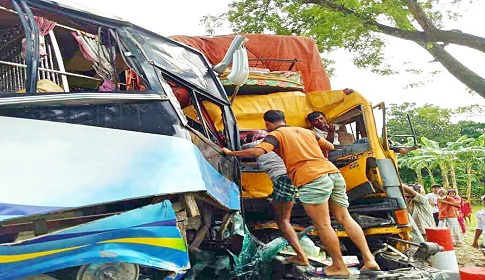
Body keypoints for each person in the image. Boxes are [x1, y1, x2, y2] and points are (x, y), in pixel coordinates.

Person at [222, 110, 380, 277]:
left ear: (267, 124)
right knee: (344, 217)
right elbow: (330, 146)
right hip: (332, 173)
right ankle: (370, 260)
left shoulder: (276, 134)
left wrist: (230, 153)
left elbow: (257, 152)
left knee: (323, 224)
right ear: (284, 119)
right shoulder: (307, 132)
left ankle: (338, 266)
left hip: (312, 178)